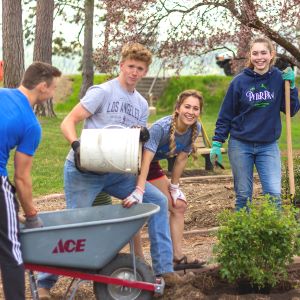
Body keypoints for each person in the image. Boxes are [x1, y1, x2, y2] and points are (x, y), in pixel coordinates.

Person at [37, 42, 181, 299]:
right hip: (84, 169)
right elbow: (68, 121)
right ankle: (44, 283)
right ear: (121, 65)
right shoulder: (102, 92)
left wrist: (141, 136)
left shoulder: (139, 103)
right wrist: (76, 144)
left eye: (140, 68)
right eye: (130, 66)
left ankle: (164, 270)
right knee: (74, 225)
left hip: (116, 171)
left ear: (145, 71)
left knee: (158, 200)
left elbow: (132, 141)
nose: (134, 72)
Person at [210, 36, 300, 211]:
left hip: (268, 146)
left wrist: (292, 86)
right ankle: (243, 235)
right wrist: (216, 142)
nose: (260, 57)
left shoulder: (278, 79)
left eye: (264, 53)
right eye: (255, 53)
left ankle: (275, 237)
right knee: (243, 195)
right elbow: (225, 115)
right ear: (250, 56)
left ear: (271, 54)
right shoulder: (239, 82)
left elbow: (291, 109)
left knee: (274, 195)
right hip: (240, 144)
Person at [125, 89, 206, 270]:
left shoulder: (195, 128)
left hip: (151, 165)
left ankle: (177, 257)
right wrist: (139, 190)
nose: (191, 112)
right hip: (135, 164)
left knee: (178, 205)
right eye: (187, 107)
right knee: (137, 210)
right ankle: (138, 260)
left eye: (195, 108)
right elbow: (145, 159)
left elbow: (181, 158)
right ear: (177, 108)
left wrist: (174, 186)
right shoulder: (161, 128)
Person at [0, 62, 61, 300]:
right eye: (53, 88)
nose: (54, 93)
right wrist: (32, 215)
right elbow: (22, 178)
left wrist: (11, 213)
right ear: (43, 87)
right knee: (11, 251)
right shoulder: (31, 124)